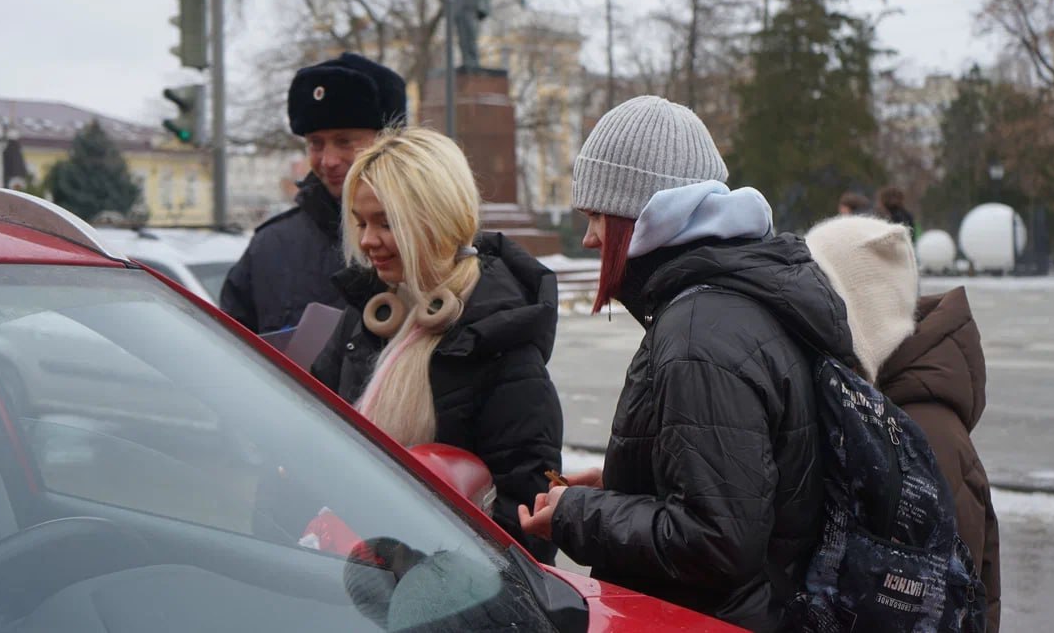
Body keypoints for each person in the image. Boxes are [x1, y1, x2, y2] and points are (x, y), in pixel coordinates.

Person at [518, 95, 855, 632]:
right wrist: (622, 483)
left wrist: (575, 516)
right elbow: (747, 485)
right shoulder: (728, 303)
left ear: (640, 215)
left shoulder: (699, 330)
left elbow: (718, 542)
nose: (587, 239)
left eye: (597, 216)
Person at [310, 127, 563, 562]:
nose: (367, 241)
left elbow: (526, 522)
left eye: (386, 223)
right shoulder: (366, 315)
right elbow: (309, 435)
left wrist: (418, 570)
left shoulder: (500, 341)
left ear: (436, 219)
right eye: (361, 222)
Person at [805, 215, 1002, 631]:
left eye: (815, 293)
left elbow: (937, 606)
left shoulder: (925, 438)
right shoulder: (868, 408)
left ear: (855, 313)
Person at [220, 53, 406, 334]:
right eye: (316, 144)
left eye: (344, 142)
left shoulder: (430, 236)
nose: (328, 160)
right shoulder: (269, 248)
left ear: (389, 141)